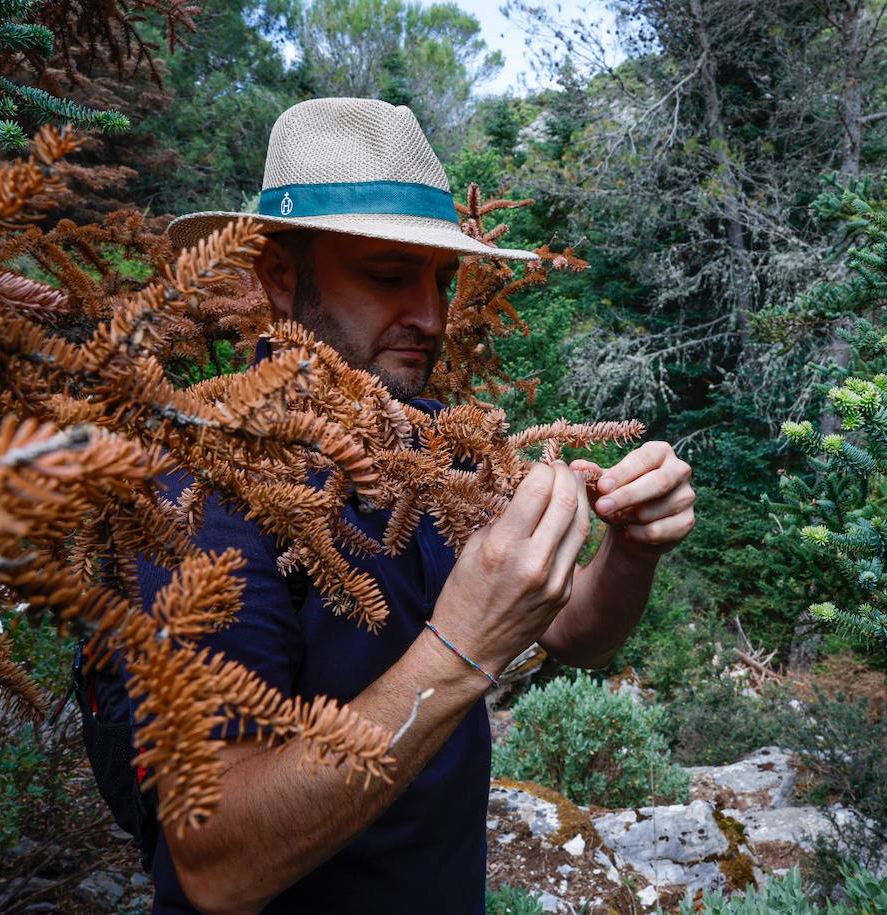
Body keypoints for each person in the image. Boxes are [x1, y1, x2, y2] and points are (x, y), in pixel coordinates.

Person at [146, 98, 696, 914]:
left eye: (442, 277)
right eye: (387, 275)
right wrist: (465, 646)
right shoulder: (199, 492)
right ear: (277, 276)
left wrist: (631, 549)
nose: (432, 318)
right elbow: (217, 863)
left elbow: (575, 630)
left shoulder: (439, 445)